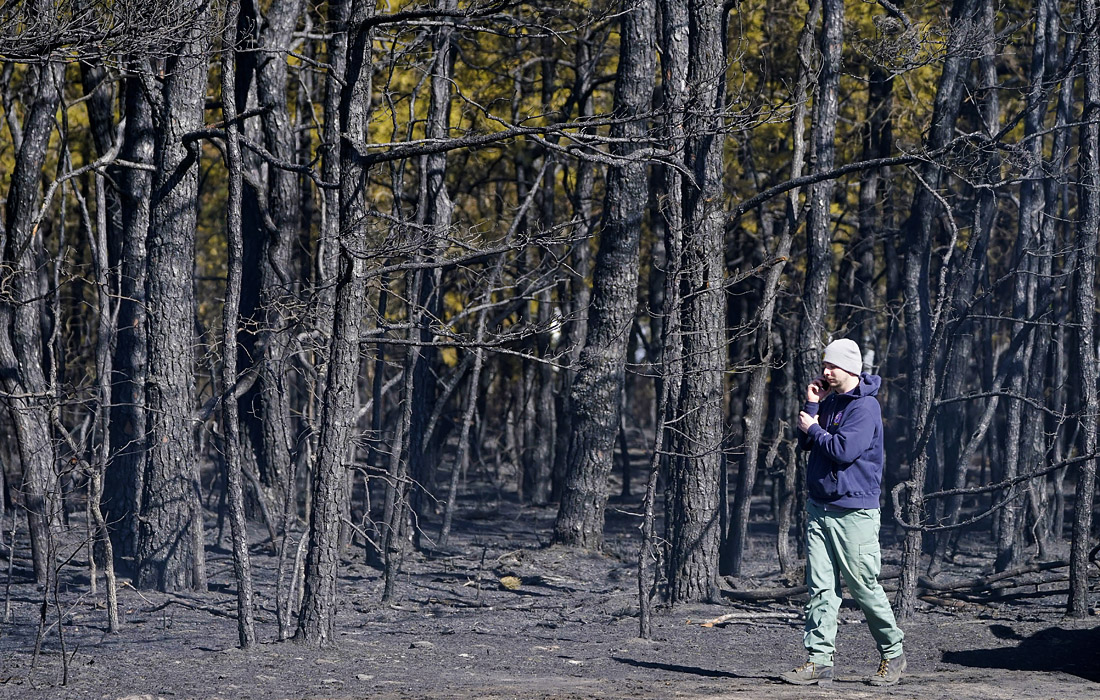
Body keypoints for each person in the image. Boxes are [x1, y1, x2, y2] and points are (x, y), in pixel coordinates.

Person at [779, 338, 906, 686]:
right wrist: (813, 404)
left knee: (863, 586)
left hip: (854, 513)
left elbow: (844, 449)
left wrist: (814, 428)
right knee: (820, 588)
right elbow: (807, 442)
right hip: (820, 508)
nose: (825, 371)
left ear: (850, 368)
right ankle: (819, 661)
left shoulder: (865, 408)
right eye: (824, 365)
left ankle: (893, 655)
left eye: (831, 366)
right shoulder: (831, 400)